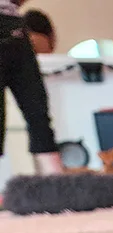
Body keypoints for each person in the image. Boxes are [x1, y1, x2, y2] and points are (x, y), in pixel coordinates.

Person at [0, 0, 63, 174]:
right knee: (38, 114)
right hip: (14, 28)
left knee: (38, 114)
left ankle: (57, 187)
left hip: (15, 29)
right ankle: (57, 188)